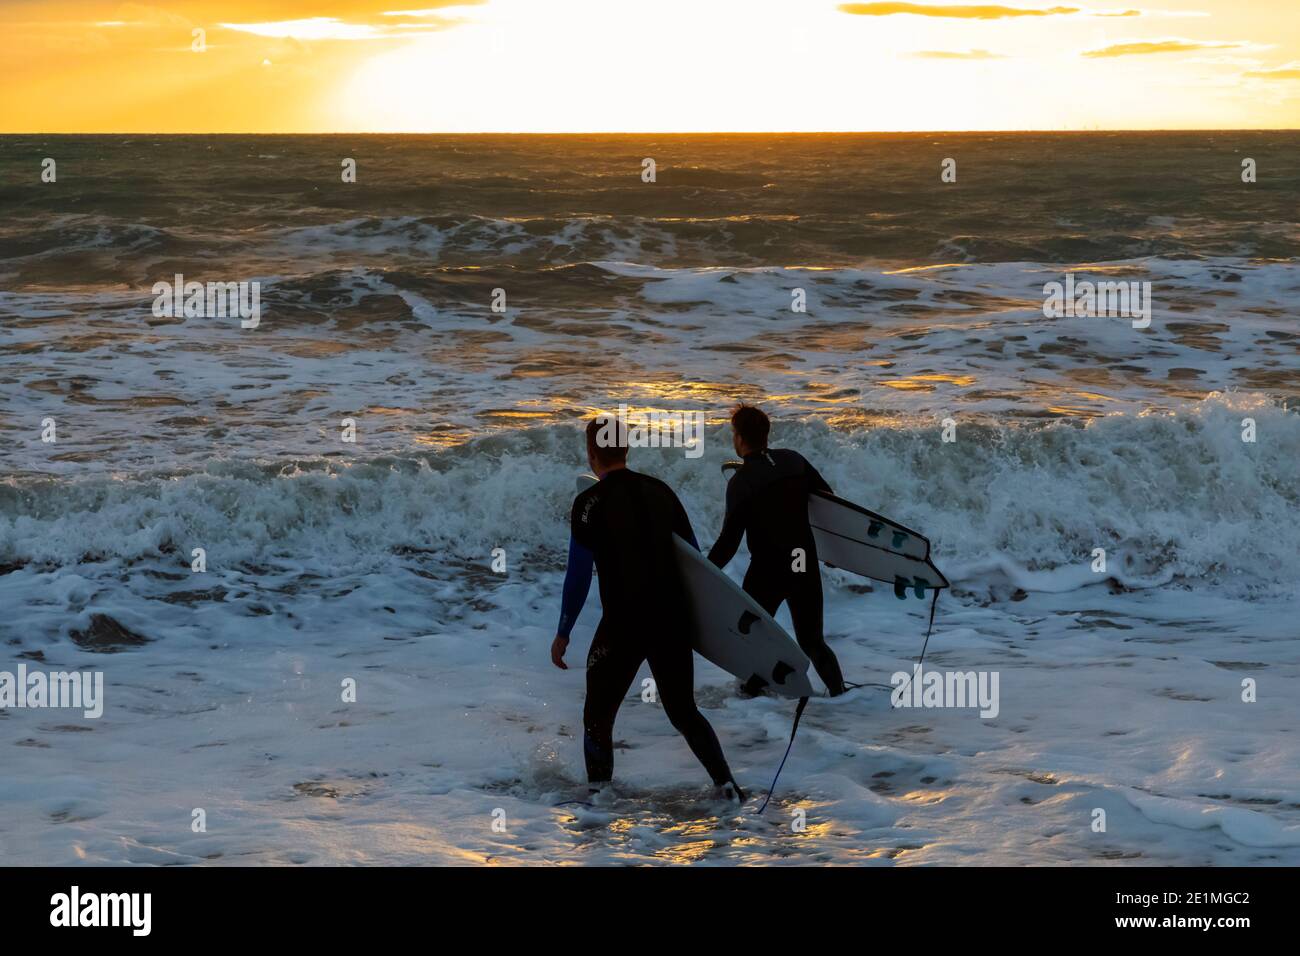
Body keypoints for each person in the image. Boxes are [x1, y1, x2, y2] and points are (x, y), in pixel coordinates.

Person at [551, 416, 743, 801]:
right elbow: (695, 560)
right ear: (626, 449)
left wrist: (564, 631)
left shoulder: (588, 503)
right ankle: (727, 787)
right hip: (671, 619)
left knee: (598, 715)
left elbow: (578, 576)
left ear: (591, 454)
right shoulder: (661, 491)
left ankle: (599, 799)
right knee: (684, 711)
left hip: (622, 623)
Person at [708, 403, 847, 696]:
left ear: (739, 438)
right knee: (813, 641)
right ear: (766, 434)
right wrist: (835, 551)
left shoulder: (741, 482)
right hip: (802, 564)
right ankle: (842, 700)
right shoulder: (793, 461)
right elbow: (827, 502)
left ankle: (754, 703)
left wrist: (703, 571)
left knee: (751, 641)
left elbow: (728, 542)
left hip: (767, 571)